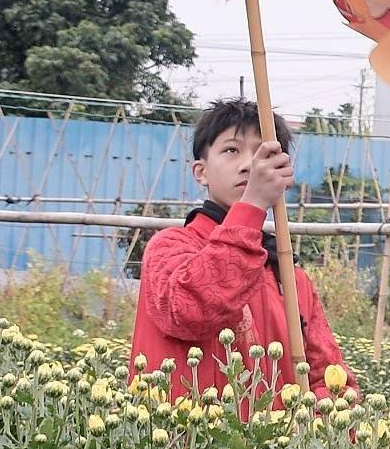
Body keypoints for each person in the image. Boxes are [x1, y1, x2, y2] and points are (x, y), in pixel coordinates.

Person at [134, 98, 351, 401]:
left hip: (277, 446)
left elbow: (332, 380)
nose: (250, 164)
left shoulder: (291, 279)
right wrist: (252, 205)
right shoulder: (170, 249)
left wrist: (309, 427)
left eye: (264, 153)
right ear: (201, 171)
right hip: (187, 444)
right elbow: (188, 309)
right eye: (231, 150)